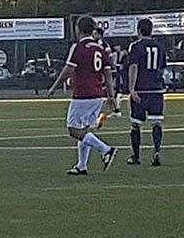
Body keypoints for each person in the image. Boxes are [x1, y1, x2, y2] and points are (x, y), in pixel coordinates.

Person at [50, 15, 117, 176]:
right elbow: (108, 75)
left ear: (78, 29)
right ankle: (82, 165)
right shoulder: (101, 49)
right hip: (97, 94)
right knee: (85, 130)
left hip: (83, 94)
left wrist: (54, 86)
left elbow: (69, 69)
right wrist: (111, 96)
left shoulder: (78, 47)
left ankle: (106, 149)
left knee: (73, 130)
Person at [126, 18, 167, 167]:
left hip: (141, 89)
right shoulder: (160, 46)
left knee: (136, 124)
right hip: (156, 89)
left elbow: (133, 67)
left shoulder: (135, 46)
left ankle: (136, 156)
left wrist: (131, 88)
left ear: (138, 30)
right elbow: (162, 67)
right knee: (156, 122)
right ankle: (156, 152)